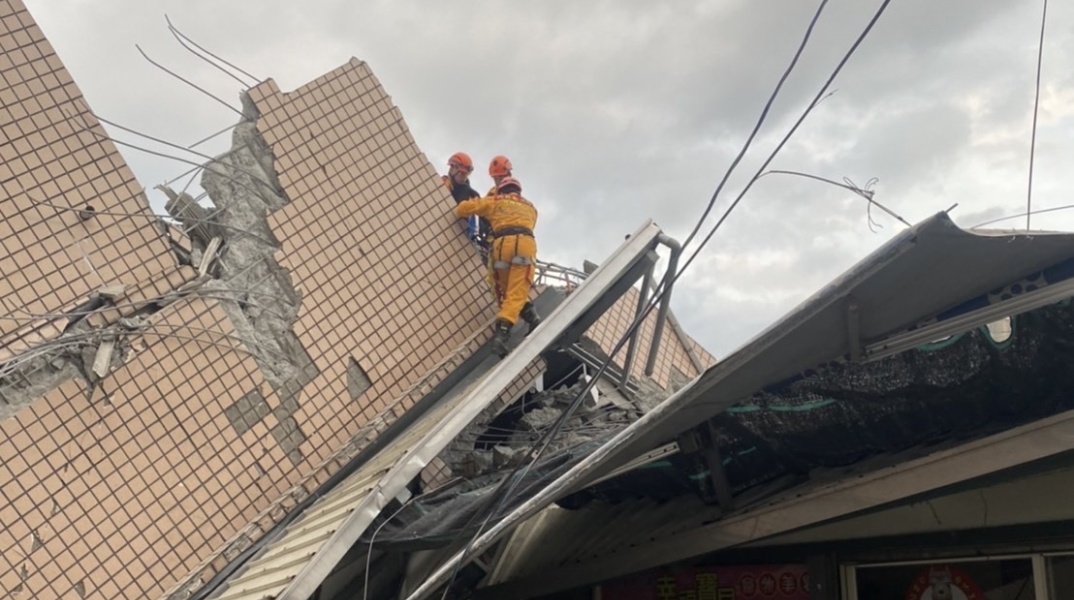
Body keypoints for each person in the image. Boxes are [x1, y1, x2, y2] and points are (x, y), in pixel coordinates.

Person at [454, 176, 542, 357]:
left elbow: (463, 209)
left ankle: (531, 318)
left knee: (504, 288)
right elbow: (530, 224)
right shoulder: (531, 208)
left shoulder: (495, 200)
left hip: (501, 246)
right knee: (517, 290)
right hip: (525, 244)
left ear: (501, 190)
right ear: (518, 191)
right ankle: (502, 335)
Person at [442, 152, 491, 254]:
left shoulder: (470, 194)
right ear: (452, 169)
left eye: (465, 174)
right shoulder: (443, 184)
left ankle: (481, 242)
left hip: (468, 231)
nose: (463, 177)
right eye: (461, 173)